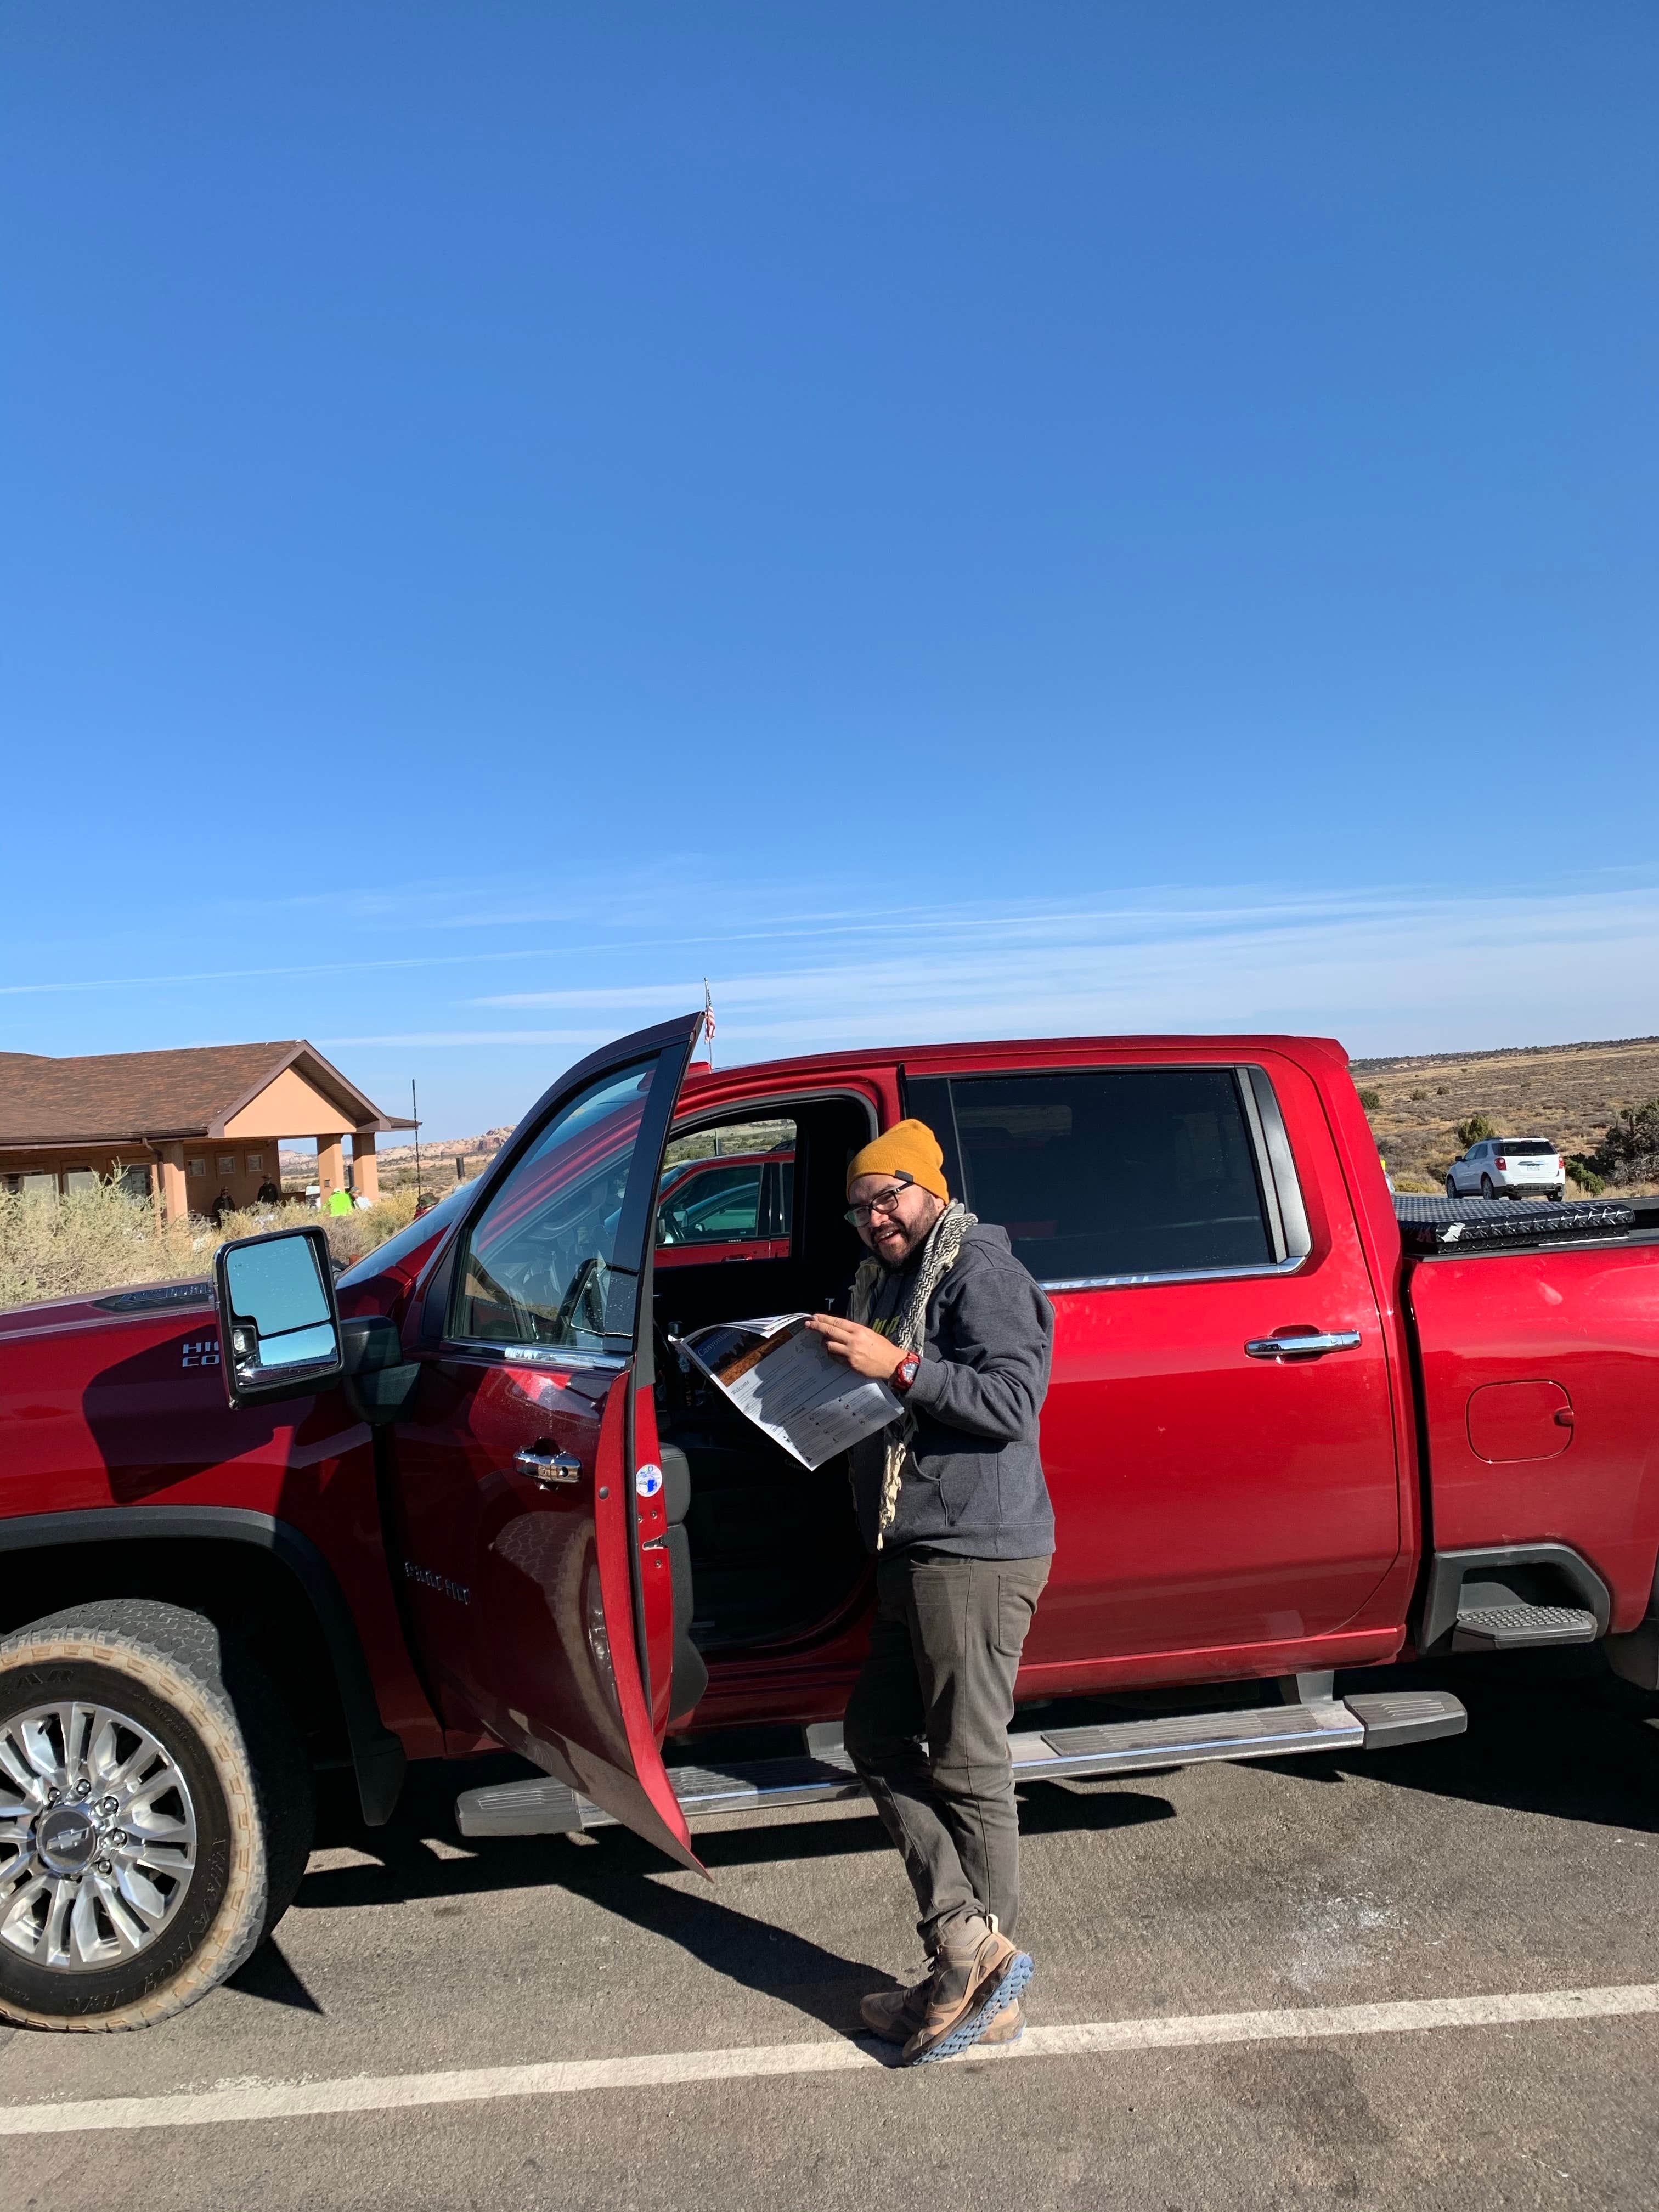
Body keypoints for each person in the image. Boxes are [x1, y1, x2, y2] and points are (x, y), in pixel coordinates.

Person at [806, 1119, 1055, 2067]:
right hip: (916, 1547)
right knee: (875, 1735)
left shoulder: (978, 1272)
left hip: (976, 1549)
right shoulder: (892, 1281)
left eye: (890, 1197)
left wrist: (897, 1366)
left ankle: (976, 1977)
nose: (876, 1219)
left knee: (967, 1764)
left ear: (929, 1189)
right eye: (861, 1208)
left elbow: (1011, 1403)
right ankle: (968, 1948)